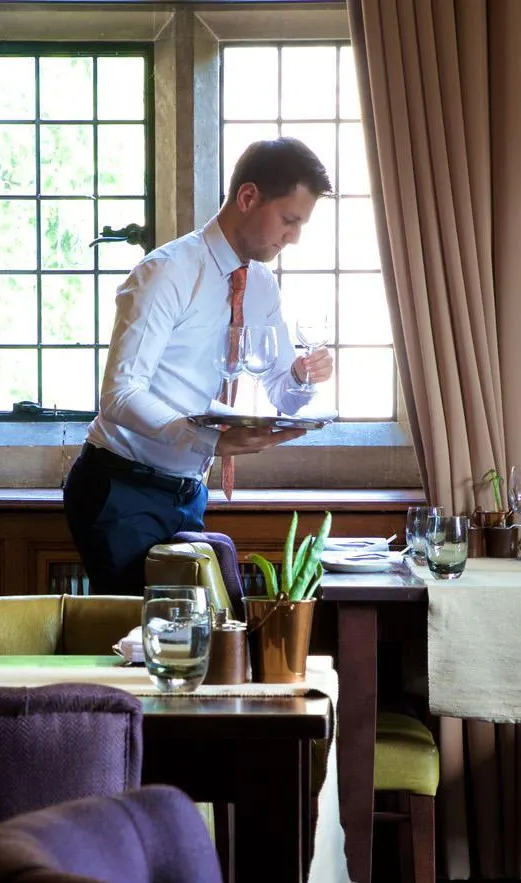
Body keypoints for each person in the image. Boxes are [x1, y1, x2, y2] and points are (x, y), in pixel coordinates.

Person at [64, 136, 335, 596]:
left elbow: (280, 388)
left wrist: (302, 377)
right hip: (119, 487)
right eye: (289, 220)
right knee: (144, 646)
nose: (294, 237)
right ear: (248, 197)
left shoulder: (263, 287)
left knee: (187, 645)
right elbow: (119, 396)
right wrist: (209, 438)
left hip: (187, 490)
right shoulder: (166, 271)